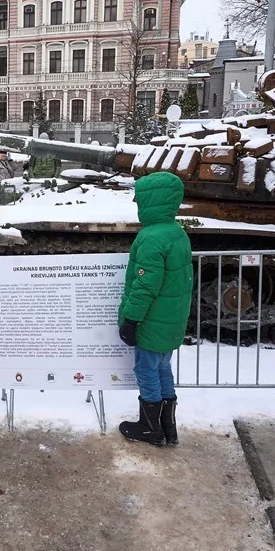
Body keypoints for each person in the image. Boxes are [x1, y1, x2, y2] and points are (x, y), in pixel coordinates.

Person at [116, 172, 194, 447]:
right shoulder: (176, 231)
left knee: (146, 371)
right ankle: (167, 427)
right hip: (170, 318)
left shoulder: (151, 237)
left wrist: (131, 320)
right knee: (163, 368)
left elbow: (145, 285)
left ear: (150, 201)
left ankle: (150, 428)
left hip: (152, 320)